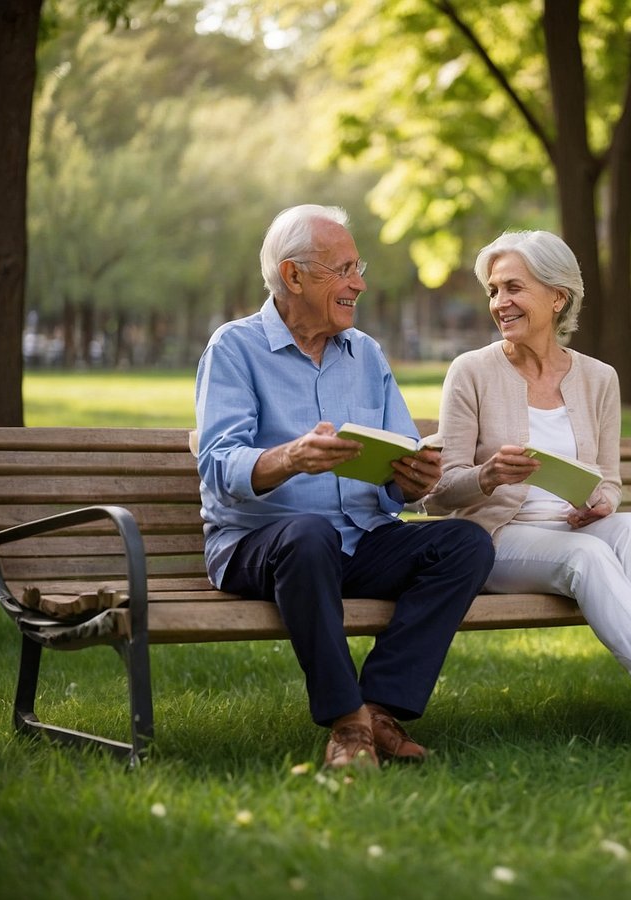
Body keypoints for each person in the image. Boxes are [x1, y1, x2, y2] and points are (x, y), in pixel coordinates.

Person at [425, 230, 631, 760]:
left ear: (558, 297)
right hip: (496, 540)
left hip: (574, 528)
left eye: (514, 288)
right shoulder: (472, 372)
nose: (499, 303)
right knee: (590, 554)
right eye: (493, 290)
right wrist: (488, 476)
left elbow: (609, 479)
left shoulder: (598, 379)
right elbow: (440, 492)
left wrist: (602, 502)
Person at [195, 204, 495, 770]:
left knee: (465, 543)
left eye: (360, 268)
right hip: (260, 545)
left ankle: (381, 709)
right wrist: (290, 458)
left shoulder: (367, 354)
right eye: (344, 269)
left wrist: (412, 480)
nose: (358, 283)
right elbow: (218, 464)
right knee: (309, 536)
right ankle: (347, 722)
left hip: (357, 540)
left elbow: (402, 462)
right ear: (294, 276)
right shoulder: (234, 348)